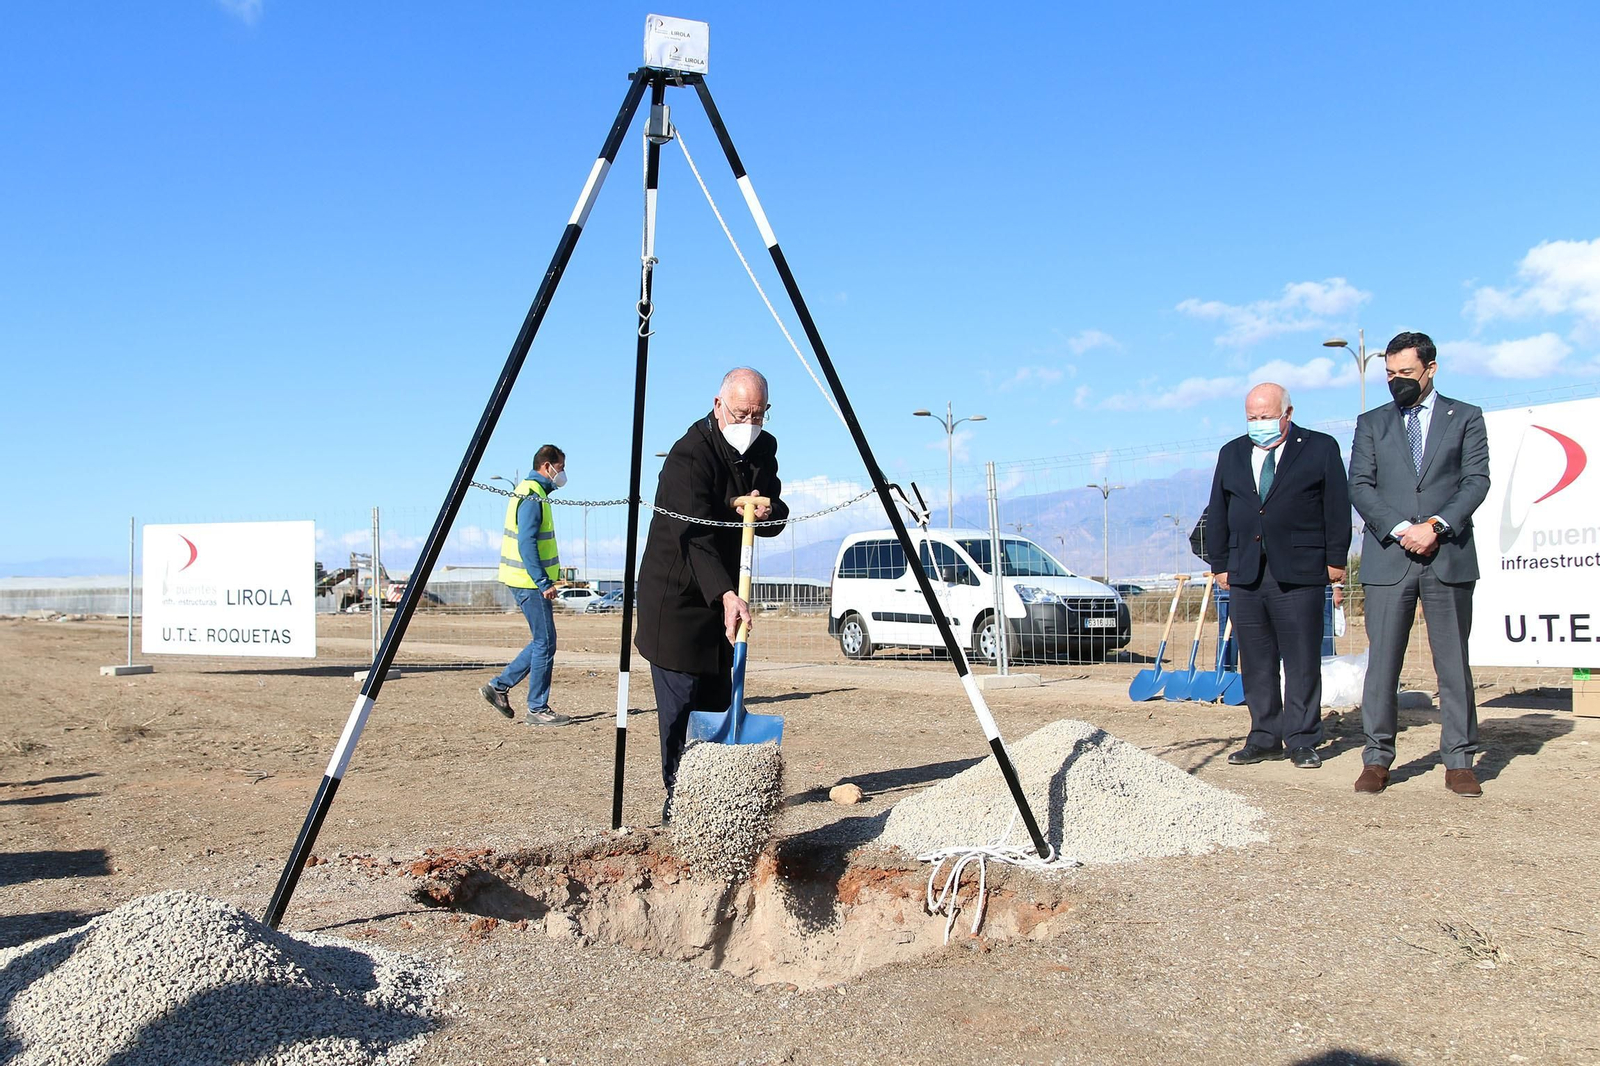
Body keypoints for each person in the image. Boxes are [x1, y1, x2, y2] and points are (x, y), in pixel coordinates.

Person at [635, 368, 789, 818]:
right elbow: (695, 536)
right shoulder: (689, 456)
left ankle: (719, 795)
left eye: (759, 414)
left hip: (726, 595)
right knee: (682, 703)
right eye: (742, 413)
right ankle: (678, 797)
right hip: (678, 596)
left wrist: (768, 510)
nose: (750, 424)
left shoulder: (765, 448)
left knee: (721, 698)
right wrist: (723, 592)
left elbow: (775, 512)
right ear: (719, 405)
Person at [1348, 332, 1490, 797]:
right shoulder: (1371, 423)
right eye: (1389, 374)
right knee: (1383, 664)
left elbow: (1475, 481)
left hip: (1448, 555)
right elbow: (1360, 486)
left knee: (1453, 664)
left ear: (1430, 369)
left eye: (1405, 373)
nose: (1396, 382)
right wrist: (1400, 529)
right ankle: (1376, 758)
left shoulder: (1466, 417)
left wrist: (1436, 525)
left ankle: (1460, 760)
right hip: (1390, 558)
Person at [1205, 383, 1351, 770]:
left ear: (1287, 413)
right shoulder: (1232, 453)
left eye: (1266, 417)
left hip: (1299, 571)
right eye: (1252, 418)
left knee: (1302, 658)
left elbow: (1337, 506)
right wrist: (1220, 563)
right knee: (1255, 660)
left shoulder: (1319, 448)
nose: (1259, 424)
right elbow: (1218, 510)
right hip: (1246, 573)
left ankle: (1302, 738)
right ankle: (1264, 736)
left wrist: (1336, 559)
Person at [480, 445, 571, 726]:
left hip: (525, 580)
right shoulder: (532, 496)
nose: (563, 474)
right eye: (561, 467)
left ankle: (500, 687)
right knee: (545, 642)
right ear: (547, 466)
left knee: (543, 641)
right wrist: (543, 581)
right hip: (529, 582)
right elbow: (527, 543)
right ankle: (537, 708)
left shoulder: (535, 492)